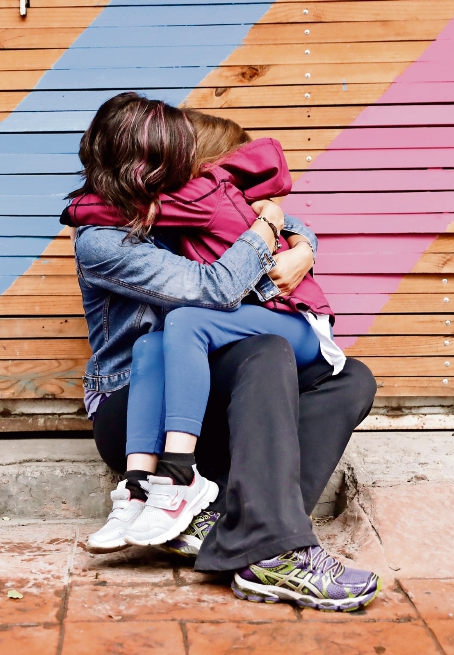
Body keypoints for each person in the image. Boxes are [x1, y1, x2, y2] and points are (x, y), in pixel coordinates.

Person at [65, 92, 381, 610]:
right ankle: (274, 545)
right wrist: (269, 226)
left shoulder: (195, 206)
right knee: (267, 350)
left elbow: (257, 217)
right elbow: (214, 289)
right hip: (138, 404)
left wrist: (302, 244)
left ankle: (245, 530)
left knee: (352, 379)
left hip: (203, 395)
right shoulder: (104, 239)